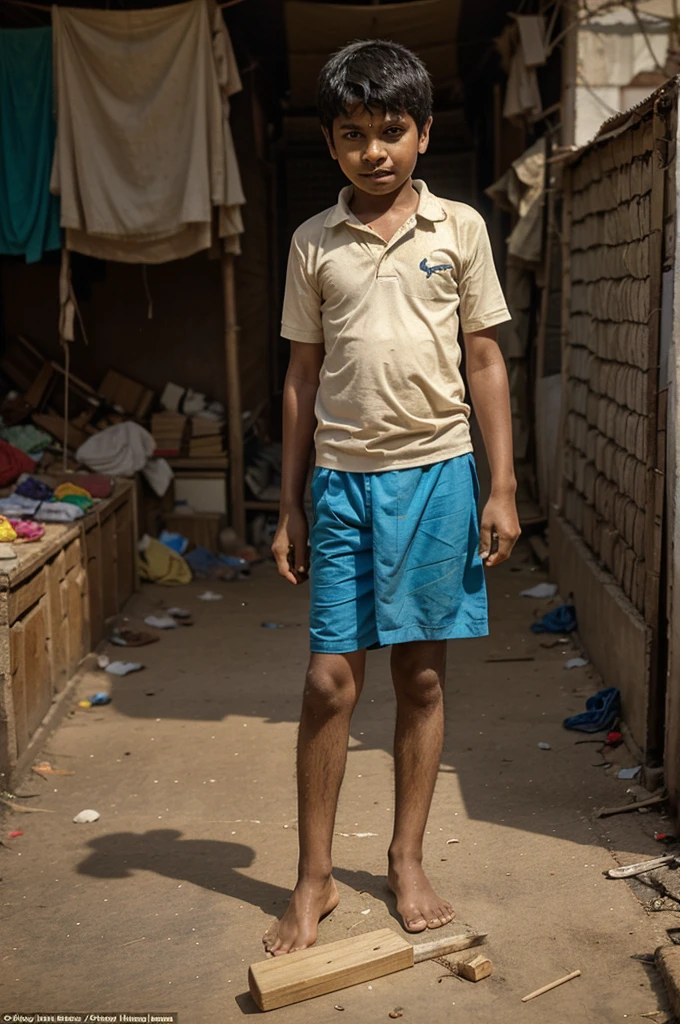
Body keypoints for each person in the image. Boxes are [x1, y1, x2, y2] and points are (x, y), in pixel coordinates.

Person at [264, 38, 520, 956]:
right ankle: (314, 876)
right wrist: (290, 503)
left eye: (391, 132)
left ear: (423, 134)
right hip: (340, 485)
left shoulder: (459, 231)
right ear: (331, 145)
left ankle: (408, 857)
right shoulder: (311, 243)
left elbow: (484, 359)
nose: (374, 150)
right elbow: (301, 376)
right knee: (330, 682)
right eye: (352, 134)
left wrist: (503, 484)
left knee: (420, 676)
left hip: (440, 475)